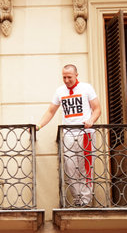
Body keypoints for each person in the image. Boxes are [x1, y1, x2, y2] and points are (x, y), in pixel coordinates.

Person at [36, 64, 101, 206]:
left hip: (86, 133)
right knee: (70, 167)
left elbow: (97, 109)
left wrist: (91, 120)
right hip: (68, 134)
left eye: (69, 77)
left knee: (86, 168)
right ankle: (78, 198)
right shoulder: (60, 91)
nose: (66, 80)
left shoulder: (86, 88)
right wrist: (39, 125)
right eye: (64, 77)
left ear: (76, 75)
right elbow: (51, 111)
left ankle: (85, 200)